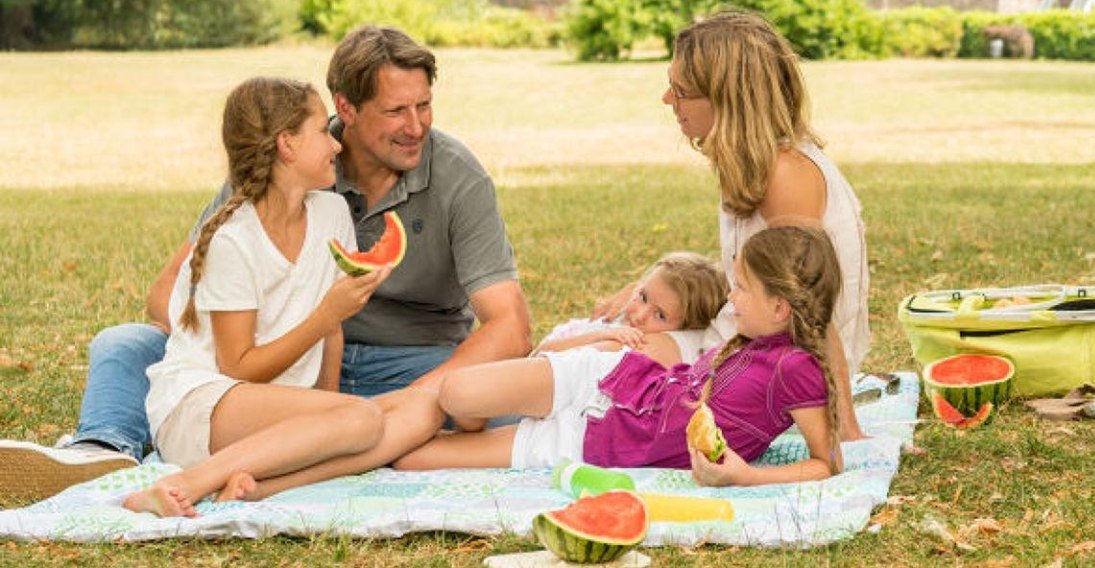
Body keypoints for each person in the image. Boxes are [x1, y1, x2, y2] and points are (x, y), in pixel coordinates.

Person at [0, 26, 532, 503]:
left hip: (406, 362)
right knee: (125, 344)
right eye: (396, 111)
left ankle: (286, 463)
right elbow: (171, 294)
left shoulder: (454, 178)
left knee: (507, 402)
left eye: (424, 106)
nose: (416, 126)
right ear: (345, 109)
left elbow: (510, 326)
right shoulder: (276, 169)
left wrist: (427, 395)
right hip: (265, 366)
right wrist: (246, 334)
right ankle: (101, 451)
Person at [589, 9, 871, 438]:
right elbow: (755, 275)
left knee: (599, 363)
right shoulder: (758, 162)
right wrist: (654, 289)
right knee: (603, 342)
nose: (667, 99)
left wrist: (845, 431)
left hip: (767, 370)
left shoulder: (787, 176)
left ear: (728, 101)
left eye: (681, 91)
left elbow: (811, 308)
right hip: (746, 344)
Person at [394, 226, 847, 486]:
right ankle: (466, 420)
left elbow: (825, 463)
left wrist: (746, 476)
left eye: (743, 288)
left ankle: (437, 425)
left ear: (779, 308)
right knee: (456, 393)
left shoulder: (795, 369)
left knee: (409, 460)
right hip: (607, 378)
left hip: (593, 443)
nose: (731, 297)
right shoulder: (749, 337)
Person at [121, 78, 389, 516]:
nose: (337, 145)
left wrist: (329, 415)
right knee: (365, 420)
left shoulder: (333, 213)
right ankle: (185, 483)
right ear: (287, 144)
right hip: (204, 404)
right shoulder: (234, 240)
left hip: (272, 409)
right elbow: (238, 367)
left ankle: (255, 486)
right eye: (323, 131)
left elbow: (332, 334)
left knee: (400, 419)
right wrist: (325, 320)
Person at [536, 252, 727, 367]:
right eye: (643, 297)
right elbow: (540, 353)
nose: (640, 316)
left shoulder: (661, 353)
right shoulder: (608, 328)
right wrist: (601, 336)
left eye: (660, 315)